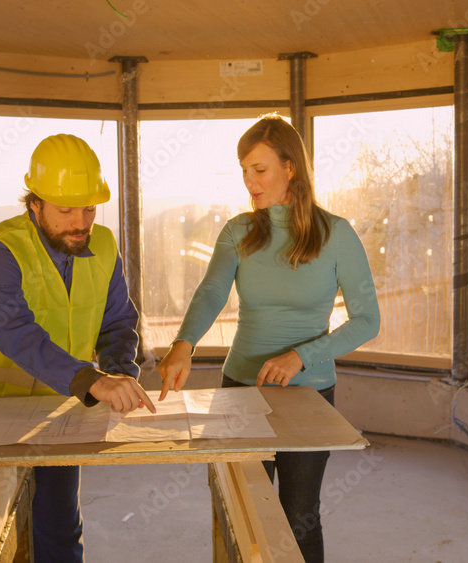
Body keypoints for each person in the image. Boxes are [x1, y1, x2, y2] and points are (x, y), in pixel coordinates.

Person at [156, 114, 380, 562]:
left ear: (290, 168)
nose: (249, 182)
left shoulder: (337, 234)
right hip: (241, 389)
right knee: (240, 512)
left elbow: (366, 321)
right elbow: (212, 291)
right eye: (244, 171)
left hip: (309, 394)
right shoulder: (239, 231)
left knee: (299, 518)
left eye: (259, 170)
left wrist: (302, 356)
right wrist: (183, 344)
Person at [0, 133, 155, 562]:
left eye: (89, 208)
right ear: (34, 203)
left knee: (58, 531)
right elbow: (13, 331)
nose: (81, 222)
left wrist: (119, 374)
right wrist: (91, 380)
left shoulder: (103, 245)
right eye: (65, 210)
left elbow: (116, 321)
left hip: (58, 409)